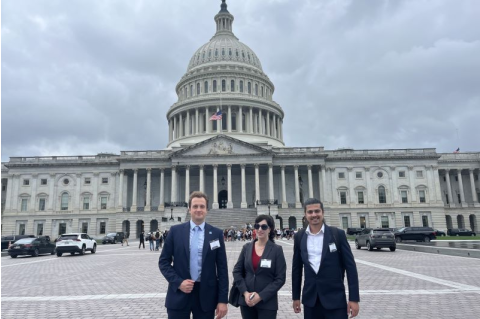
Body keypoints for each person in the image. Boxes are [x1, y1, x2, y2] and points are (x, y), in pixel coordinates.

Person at [159, 191, 229, 319]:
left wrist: (223, 300)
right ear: (189, 209)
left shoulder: (216, 234)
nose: (198, 210)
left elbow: (222, 269)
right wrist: (179, 282)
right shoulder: (175, 232)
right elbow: (163, 262)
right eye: (195, 206)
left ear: (207, 209)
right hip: (179, 292)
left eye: (202, 206)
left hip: (206, 296)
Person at [292, 198, 360, 319]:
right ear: (305, 214)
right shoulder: (299, 237)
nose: (314, 215)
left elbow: (351, 268)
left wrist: (354, 299)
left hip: (335, 299)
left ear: (322, 212)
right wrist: (296, 297)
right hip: (311, 300)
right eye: (310, 212)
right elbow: (296, 270)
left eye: (317, 211)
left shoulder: (337, 234)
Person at [233, 215, 287, 319]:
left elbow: (280, 278)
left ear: (270, 229)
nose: (260, 229)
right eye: (257, 226)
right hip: (247, 301)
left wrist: (261, 296)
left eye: (264, 227)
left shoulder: (277, 250)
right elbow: (237, 271)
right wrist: (245, 292)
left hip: (267, 302)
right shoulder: (247, 248)